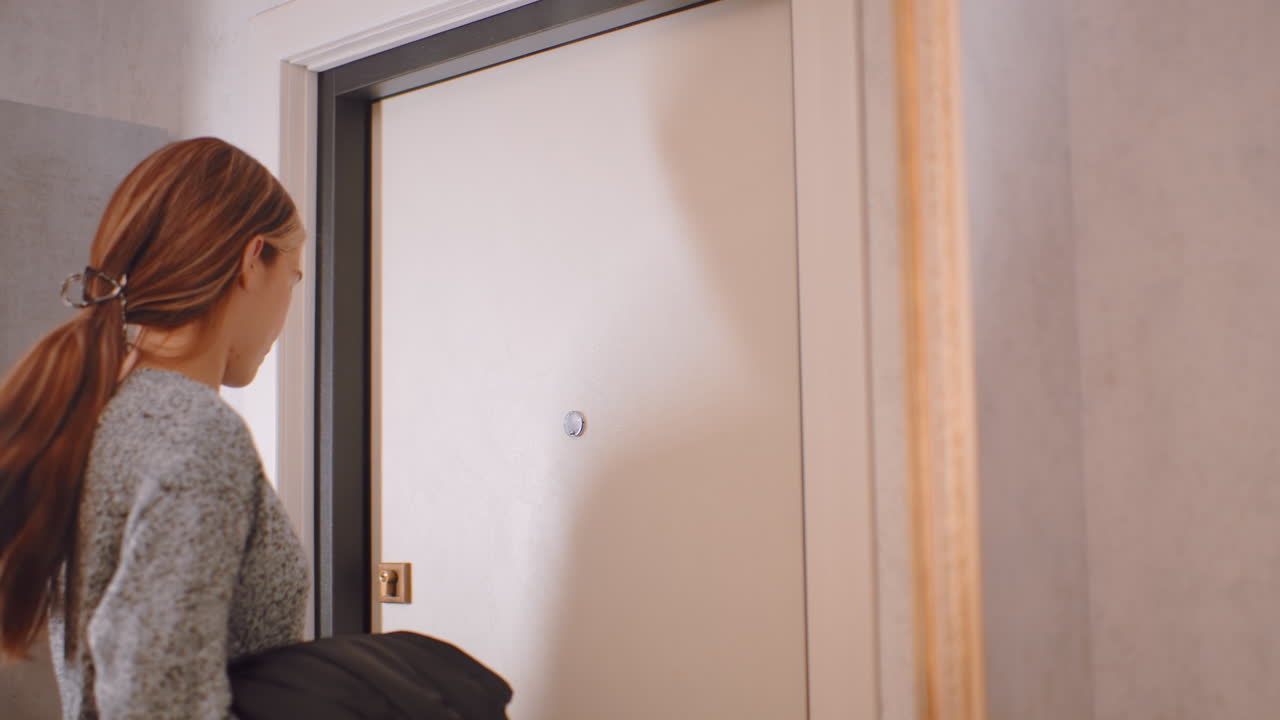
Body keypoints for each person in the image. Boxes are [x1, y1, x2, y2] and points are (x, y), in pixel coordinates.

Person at [0, 137, 310, 719]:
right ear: (252, 259)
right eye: (293, 277)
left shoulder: (100, 413)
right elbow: (155, 700)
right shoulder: (196, 434)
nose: (287, 312)